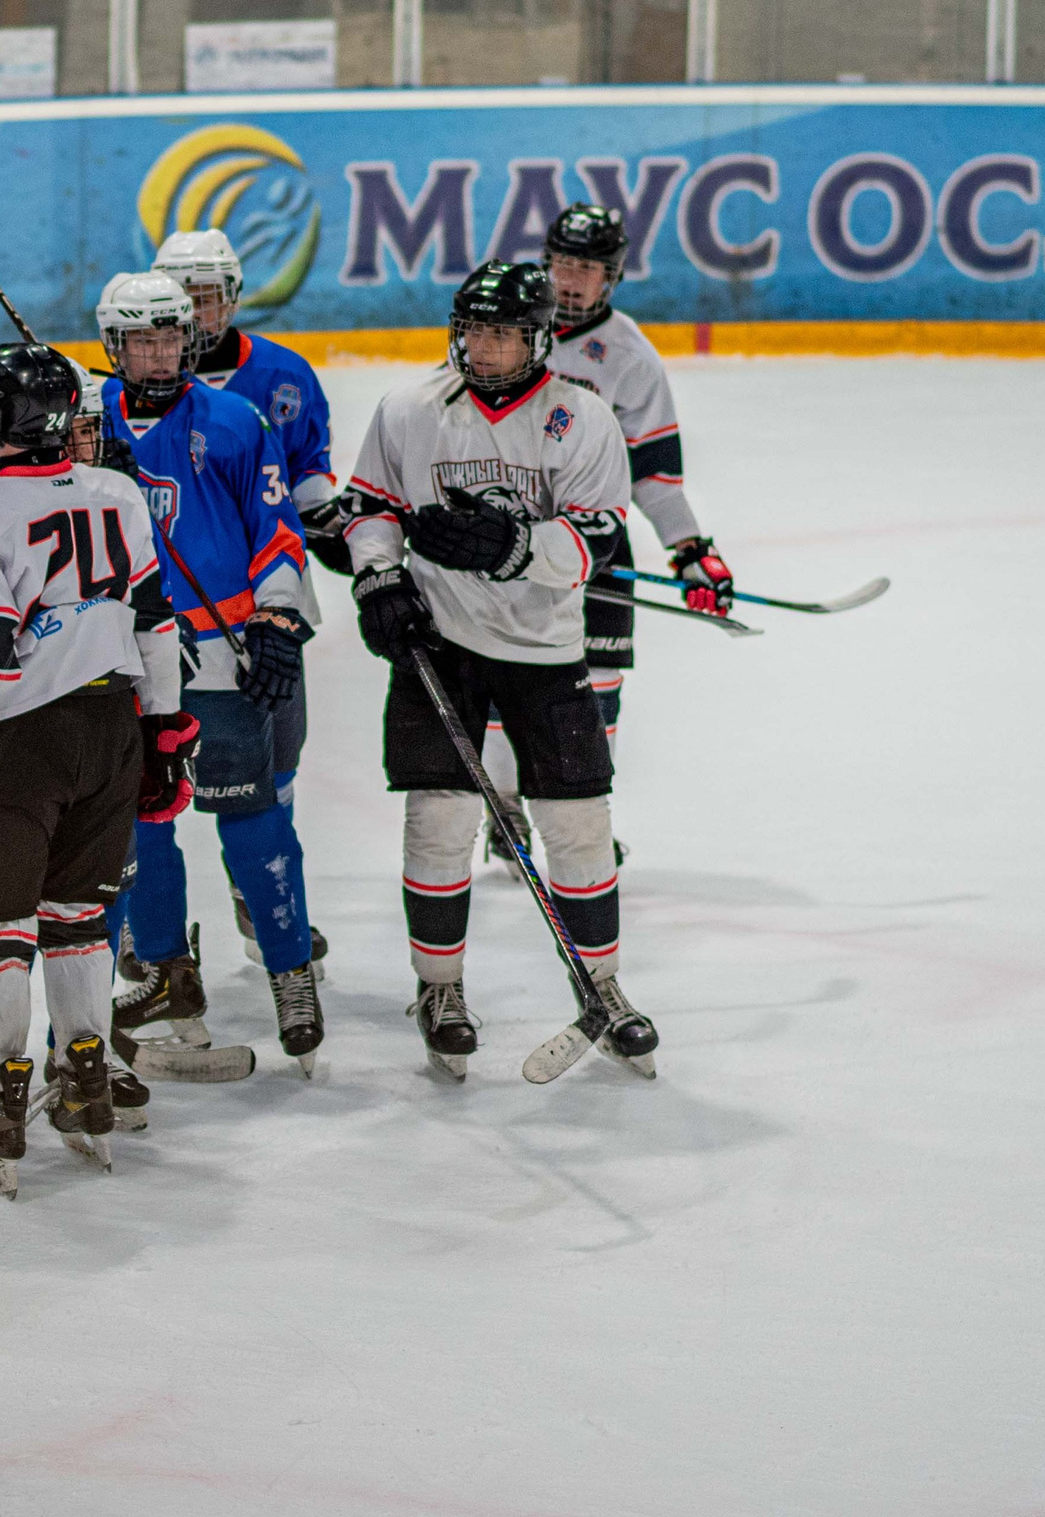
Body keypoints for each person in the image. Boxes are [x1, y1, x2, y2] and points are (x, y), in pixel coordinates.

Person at [340, 260, 658, 1080]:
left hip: (544, 651)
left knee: (579, 824)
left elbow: (599, 538)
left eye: (503, 334)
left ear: (538, 339)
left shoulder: (580, 418)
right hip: (441, 644)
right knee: (438, 819)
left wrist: (518, 545)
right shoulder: (410, 408)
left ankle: (602, 986)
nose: (483, 348)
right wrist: (378, 576)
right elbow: (370, 507)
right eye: (474, 330)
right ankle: (439, 988)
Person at [0, 343, 193, 1198]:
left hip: (22, 745)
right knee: (77, 918)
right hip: (113, 731)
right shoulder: (120, 494)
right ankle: (85, 1082)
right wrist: (164, 732)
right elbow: (155, 625)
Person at [82, 272, 323, 1081]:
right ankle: (164, 969)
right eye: (140, 341)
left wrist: (277, 618)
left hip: (219, 653)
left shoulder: (234, 421)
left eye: (169, 338)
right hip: (127, 655)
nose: (158, 355)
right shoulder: (84, 424)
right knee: (141, 820)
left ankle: (290, 970)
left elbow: (277, 531)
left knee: (251, 817)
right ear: (114, 345)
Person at [476, 202, 736, 868]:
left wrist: (690, 551)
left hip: (595, 545)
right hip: (511, 540)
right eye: (562, 264)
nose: (570, 280)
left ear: (611, 277)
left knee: (598, 684)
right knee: (504, 676)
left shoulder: (630, 357)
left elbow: (655, 472)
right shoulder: (510, 329)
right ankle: (504, 806)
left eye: (586, 269)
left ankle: (587, 817)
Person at [154, 230, 338, 975]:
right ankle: (146, 927)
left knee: (276, 766)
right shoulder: (132, 389)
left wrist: (335, 525)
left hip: (266, 607)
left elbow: (309, 478)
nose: (195, 314)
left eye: (206, 297)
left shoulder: (284, 375)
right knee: (142, 778)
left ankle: (260, 896)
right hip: (167, 619)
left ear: (231, 297)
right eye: (182, 298)